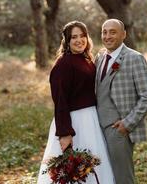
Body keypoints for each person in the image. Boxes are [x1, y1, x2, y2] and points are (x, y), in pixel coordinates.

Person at [37, 21, 115, 184]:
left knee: (92, 166)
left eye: (82, 36)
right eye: (74, 37)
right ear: (67, 40)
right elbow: (60, 101)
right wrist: (65, 132)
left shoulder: (85, 59)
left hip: (91, 119)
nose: (79, 40)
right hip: (74, 122)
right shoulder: (63, 64)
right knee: (73, 171)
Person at [95, 19, 147, 184]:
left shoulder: (134, 58)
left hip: (118, 129)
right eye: (104, 32)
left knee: (123, 177)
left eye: (113, 32)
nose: (107, 36)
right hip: (96, 128)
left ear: (124, 34)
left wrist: (127, 124)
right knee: (104, 175)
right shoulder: (100, 57)